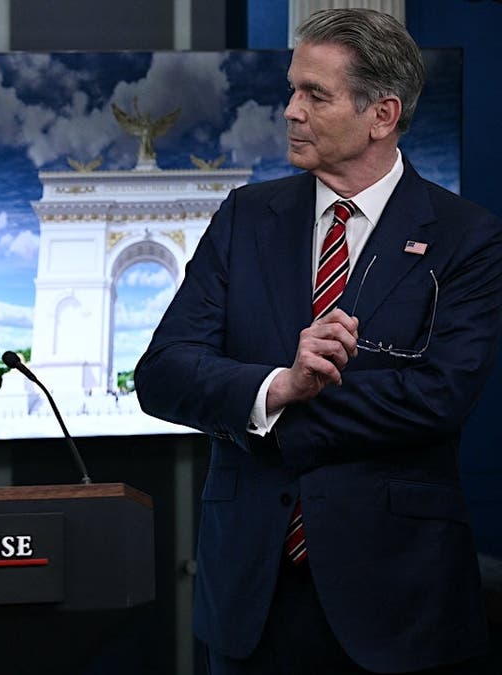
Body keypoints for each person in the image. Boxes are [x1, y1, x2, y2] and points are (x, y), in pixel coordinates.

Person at [134, 9, 499, 675]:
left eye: (315, 95)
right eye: (292, 89)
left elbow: (437, 398)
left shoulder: (465, 237)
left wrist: (279, 421)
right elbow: (162, 373)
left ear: (382, 114)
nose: (291, 111)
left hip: (399, 605)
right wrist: (279, 387)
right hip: (251, 600)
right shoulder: (245, 217)